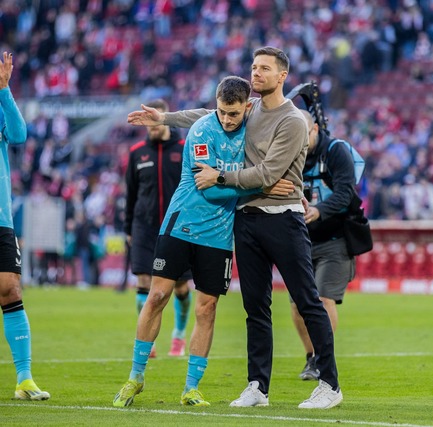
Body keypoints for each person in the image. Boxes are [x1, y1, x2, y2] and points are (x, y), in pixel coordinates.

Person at [127, 46, 343, 409]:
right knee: (255, 307)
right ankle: (258, 386)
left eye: (264, 69)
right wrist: (165, 117)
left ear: (282, 76)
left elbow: (268, 174)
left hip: (283, 219)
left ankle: (330, 385)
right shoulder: (251, 108)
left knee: (307, 300)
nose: (256, 73)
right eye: (254, 67)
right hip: (246, 218)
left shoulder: (292, 120)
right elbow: (207, 114)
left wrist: (221, 176)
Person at [113, 76, 294, 408]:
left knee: (206, 308)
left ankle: (191, 388)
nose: (227, 119)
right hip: (181, 224)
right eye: (222, 112)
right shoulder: (201, 131)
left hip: (219, 235)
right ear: (216, 104)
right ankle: (135, 377)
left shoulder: (252, 128)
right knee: (156, 296)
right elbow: (209, 186)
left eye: (234, 114)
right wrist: (262, 187)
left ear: (246, 107)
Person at [124, 98, 192, 358]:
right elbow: (130, 194)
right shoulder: (137, 153)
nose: (151, 126)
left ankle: (178, 336)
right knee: (143, 280)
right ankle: (148, 339)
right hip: (144, 227)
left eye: (155, 120)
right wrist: (128, 227)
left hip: (178, 227)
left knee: (182, 287)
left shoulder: (185, 148)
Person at [292, 109, 356, 381]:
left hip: (334, 239)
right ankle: (311, 357)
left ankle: (323, 359)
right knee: (297, 304)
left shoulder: (336, 151)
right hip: (300, 240)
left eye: (303, 134)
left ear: (315, 130)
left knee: (323, 298)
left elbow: (346, 192)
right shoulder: (289, 150)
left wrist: (318, 210)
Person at [0, 51, 50, 401]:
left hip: (1, 218)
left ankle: (24, 379)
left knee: (10, 289)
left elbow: (18, 135)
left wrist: (4, 89)